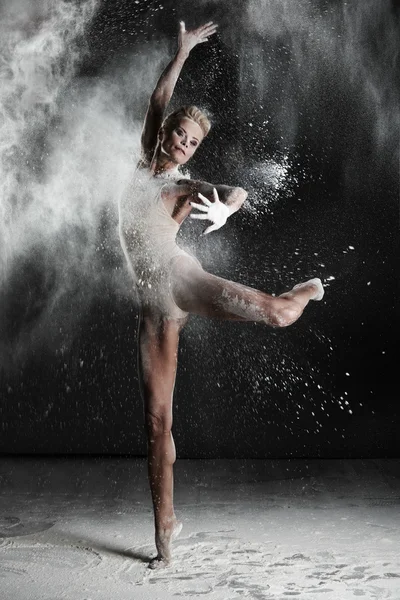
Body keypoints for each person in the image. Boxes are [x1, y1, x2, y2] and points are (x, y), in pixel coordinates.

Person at [118, 20, 324, 569]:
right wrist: (182, 51)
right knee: (157, 424)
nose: (183, 144)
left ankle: (305, 290)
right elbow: (160, 96)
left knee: (277, 316)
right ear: (165, 133)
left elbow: (233, 190)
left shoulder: (183, 184)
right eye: (179, 134)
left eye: (192, 142)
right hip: (152, 308)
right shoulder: (144, 161)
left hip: (177, 277)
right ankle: (165, 534)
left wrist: (229, 206)